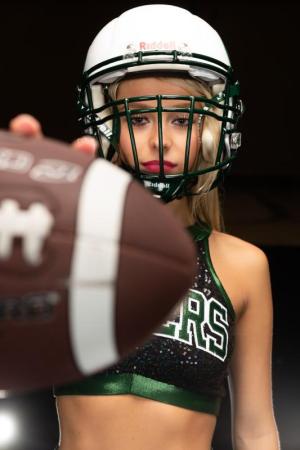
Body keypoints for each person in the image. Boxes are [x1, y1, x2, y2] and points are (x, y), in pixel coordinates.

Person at [11, 4, 280, 450]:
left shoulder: (244, 266)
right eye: (138, 118)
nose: (160, 139)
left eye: (180, 118)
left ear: (212, 132)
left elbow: (255, 430)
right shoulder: (67, 245)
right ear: (108, 127)